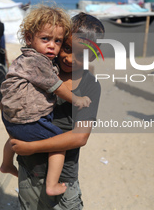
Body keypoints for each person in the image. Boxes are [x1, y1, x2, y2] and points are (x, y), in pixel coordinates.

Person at [10, 12, 104, 209]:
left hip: (64, 177)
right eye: (66, 48)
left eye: (81, 55)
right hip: (31, 170)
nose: (69, 58)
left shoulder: (90, 86)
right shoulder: (40, 69)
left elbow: (80, 138)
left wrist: (32, 147)